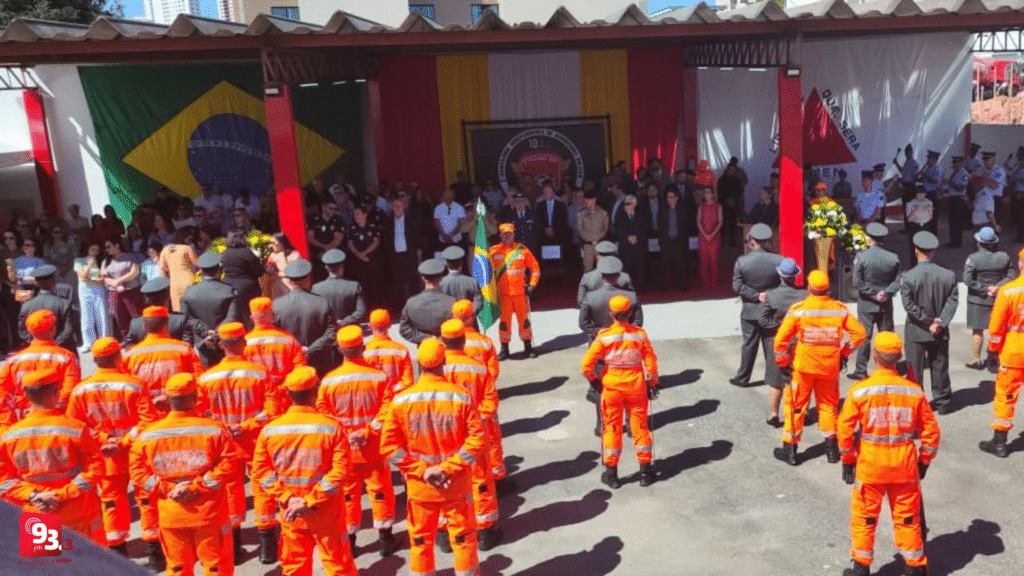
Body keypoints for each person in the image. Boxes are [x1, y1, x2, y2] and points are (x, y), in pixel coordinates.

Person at [379, 338, 485, 576]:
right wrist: (448, 468)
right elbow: (477, 441)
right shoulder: (461, 397)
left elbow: (389, 447)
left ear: (419, 364)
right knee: (463, 539)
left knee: (420, 543)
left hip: (420, 487)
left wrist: (422, 470)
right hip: (455, 484)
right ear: (444, 362)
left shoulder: (401, 401)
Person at [837, 332, 939, 576]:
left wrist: (848, 460)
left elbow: (844, 429)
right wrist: (924, 461)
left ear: (874, 357)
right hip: (904, 466)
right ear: (899, 358)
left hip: (870, 466)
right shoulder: (914, 391)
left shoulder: (860, 391)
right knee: (907, 519)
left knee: (865, 518)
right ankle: (914, 567)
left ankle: (861, 568)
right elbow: (931, 432)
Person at [250, 366, 359, 576]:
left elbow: (260, 472)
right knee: (337, 565)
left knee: (295, 565)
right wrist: (310, 501)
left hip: (291, 513)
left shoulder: (271, 430)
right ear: (315, 392)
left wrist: (289, 499)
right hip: (326, 511)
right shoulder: (332, 428)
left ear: (289, 395)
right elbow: (340, 472)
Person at [128, 373, 238, 576]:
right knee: (216, 568)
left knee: (178, 569)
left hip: (172, 515)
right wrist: (197, 486)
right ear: (195, 398)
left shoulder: (147, 436)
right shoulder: (214, 430)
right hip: (208, 513)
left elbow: (138, 474)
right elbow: (229, 465)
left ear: (168, 401)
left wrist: (170, 489)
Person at [65, 338, 157, 555]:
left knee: (111, 502)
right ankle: (155, 554)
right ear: (118, 357)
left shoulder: (80, 390)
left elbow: (76, 426)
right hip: (136, 455)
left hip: (105, 457)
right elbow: (147, 421)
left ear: (95, 360)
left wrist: (103, 439)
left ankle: (118, 552)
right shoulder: (134, 384)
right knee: (146, 499)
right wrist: (124, 441)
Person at [198, 322, 278, 564]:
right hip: (254, 443)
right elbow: (271, 411)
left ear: (221, 345)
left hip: (224, 445)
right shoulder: (259, 373)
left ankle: (235, 548)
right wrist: (245, 426)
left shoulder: (206, 378)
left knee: (231, 493)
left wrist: (224, 427)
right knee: (263, 489)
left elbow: (201, 413)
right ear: (243, 342)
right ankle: (268, 549)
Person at [0, 368, 106, 545]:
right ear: (56, 392)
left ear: (26, 396)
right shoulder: (75, 429)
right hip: (78, 512)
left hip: (37, 514)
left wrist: (33, 495)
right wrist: (61, 495)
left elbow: (4, 481)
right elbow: (95, 469)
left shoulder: (9, 436)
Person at [318, 325, 398, 556]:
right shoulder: (379, 377)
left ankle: (351, 541)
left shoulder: (329, 381)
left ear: (341, 351)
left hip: (345, 449)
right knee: (380, 491)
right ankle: (385, 540)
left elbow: (324, 413)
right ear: (363, 347)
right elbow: (387, 410)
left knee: (348, 495)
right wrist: (367, 431)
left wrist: (347, 433)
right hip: (373, 446)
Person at [773, 270, 866, 466]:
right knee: (828, 407)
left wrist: (782, 364)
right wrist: (844, 353)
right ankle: (831, 451)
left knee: (796, 407)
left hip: (803, 368)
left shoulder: (799, 310)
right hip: (829, 368)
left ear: (809, 288)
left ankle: (790, 450)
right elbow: (859, 334)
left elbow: (781, 340)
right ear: (828, 289)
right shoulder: (839, 310)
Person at [581, 295, 659, 488]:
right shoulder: (640, 334)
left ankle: (612, 475)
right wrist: (654, 383)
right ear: (630, 313)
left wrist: (594, 382)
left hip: (612, 387)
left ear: (611, 314)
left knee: (612, 428)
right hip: (636, 386)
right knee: (640, 427)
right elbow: (650, 361)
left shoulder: (604, 336)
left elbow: (585, 366)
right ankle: (645, 473)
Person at [439, 319, 502, 551]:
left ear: (443, 342)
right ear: (463, 340)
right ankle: (484, 532)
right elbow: (490, 402)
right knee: (481, 481)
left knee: (446, 483)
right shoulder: (478, 368)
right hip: (474, 435)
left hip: (445, 437)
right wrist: (476, 422)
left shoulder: (436, 369)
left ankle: (446, 534)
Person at [900, 231, 958, 415]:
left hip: (916, 330)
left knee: (914, 369)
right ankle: (943, 402)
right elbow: (952, 300)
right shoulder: (948, 275)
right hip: (939, 330)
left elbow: (909, 305)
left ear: (916, 251)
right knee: (940, 366)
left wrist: (926, 322)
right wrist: (940, 321)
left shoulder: (909, 277)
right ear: (932, 252)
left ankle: (916, 405)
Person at [979, 246, 1024, 458]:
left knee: (1006, 396)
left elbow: (996, 328)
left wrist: (992, 352)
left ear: (1021, 265)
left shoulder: (1008, 291)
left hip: (1013, 354)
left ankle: (999, 442)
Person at [731, 223, 784, 388]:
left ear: (752, 241)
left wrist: (756, 295)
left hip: (751, 310)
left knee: (749, 345)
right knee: (771, 344)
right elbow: (788, 282)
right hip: (771, 309)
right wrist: (770, 295)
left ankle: (743, 377)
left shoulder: (742, 261)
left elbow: (737, 286)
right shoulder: (779, 260)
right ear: (768, 241)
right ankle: (773, 378)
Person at [848, 223, 901, 380]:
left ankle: (861, 369)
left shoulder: (862, 257)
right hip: (885, 303)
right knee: (886, 335)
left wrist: (873, 294)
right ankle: (889, 365)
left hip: (867, 303)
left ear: (869, 238)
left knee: (865, 336)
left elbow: (857, 282)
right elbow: (898, 280)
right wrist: (885, 293)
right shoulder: (893, 257)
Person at [757, 258, 806, 428]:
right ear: (795, 277)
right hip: (799, 341)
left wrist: (779, 327)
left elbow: (762, 320)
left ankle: (773, 415)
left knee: (776, 381)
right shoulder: (804, 295)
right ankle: (798, 411)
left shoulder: (771, 295)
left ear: (780, 276)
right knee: (798, 379)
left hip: (778, 341)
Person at [963, 227, 1014, 372]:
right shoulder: (1004, 257)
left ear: (979, 242)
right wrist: (996, 287)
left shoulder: (973, 258)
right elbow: (1011, 275)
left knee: (977, 330)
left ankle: (976, 359)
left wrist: (984, 289)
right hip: (998, 299)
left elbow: (968, 280)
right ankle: (994, 358)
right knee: (997, 330)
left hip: (977, 300)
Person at [274, 258, 336, 376]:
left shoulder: (276, 306)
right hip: (320, 362)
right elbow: (331, 332)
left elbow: (275, 335)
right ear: (308, 278)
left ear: (290, 281)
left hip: (290, 364)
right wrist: (310, 349)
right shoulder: (322, 302)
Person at [489, 223, 541, 360]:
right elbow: (486, 273)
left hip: (520, 293)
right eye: (504, 234)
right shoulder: (493, 251)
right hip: (503, 295)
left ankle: (528, 348)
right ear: (500, 235)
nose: (507, 237)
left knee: (524, 322)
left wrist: (532, 285)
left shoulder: (522, 250)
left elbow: (535, 268)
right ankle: (505, 350)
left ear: (514, 234)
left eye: (509, 234)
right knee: (504, 323)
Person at [181, 252, 239, 367]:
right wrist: (215, 335)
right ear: (218, 270)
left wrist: (205, 332)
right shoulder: (229, 291)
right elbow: (232, 317)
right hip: (225, 342)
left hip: (201, 343)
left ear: (200, 271)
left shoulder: (188, 293)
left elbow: (186, 319)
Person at [244, 297, 306, 396]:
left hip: (257, 395)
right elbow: (300, 368)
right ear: (272, 315)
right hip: (284, 397)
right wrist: (283, 388)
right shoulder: (288, 339)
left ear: (251, 317)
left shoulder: (244, 342)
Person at [18, 264, 76, 353]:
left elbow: (22, 331)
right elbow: (68, 330)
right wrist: (55, 343)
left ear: (36, 284)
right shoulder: (64, 304)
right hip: (62, 351)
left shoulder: (26, 306)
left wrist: (37, 342)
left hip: (36, 351)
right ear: (54, 282)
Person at [312, 249, 366, 343]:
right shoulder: (354, 286)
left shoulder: (316, 288)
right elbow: (361, 311)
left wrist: (333, 323)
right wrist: (343, 322)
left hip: (328, 334)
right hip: (351, 333)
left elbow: (315, 313)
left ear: (326, 268)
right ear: (342, 267)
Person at [400, 259, 456, 345]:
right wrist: (441, 339)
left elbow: (404, 329)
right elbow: (457, 326)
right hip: (446, 350)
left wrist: (425, 337)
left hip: (424, 352)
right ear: (441, 278)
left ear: (423, 279)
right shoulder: (451, 302)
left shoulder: (411, 303)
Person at [220, 228, 264, 325]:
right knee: (250, 317)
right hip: (247, 288)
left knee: (235, 316)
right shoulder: (246, 252)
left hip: (229, 287)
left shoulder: (225, 253)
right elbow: (259, 271)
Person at [364, 309, 414, 393]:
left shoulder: (364, 351)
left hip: (374, 400)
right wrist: (391, 391)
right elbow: (408, 382)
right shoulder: (402, 350)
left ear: (369, 326)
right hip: (395, 401)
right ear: (390, 325)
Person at [385, 194, 421, 306]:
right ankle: (400, 305)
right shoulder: (388, 221)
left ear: (404, 207)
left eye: (400, 206)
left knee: (412, 280)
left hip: (409, 255)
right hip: (395, 256)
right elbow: (386, 239)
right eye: (395, 206)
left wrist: (418, 254)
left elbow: (417, 238)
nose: (397, 209)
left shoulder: (412, 220)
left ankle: (415, 303)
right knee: (397, 282)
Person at [74, 240, 109, 351]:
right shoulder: (79, 260)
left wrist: (92, 279)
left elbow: (101, 279)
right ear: (87, 249)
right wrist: (89, 265)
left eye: (97, 250)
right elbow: (83, 276)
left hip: (98, 289)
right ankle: (88, 343)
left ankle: (104, 340)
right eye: (92, 249)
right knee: (86, 315)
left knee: (101, 314)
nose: (95, 252)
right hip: (85, 290)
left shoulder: (100, 261)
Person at [346, 205, 383, 307]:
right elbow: (350, 243)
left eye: (358, 213)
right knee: (361, 286)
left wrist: (364, 253)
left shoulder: (373, 226)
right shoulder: (352, 228)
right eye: (354, 214)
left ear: (365, 214)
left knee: (375, 284)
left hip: (372, 259)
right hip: (358, 261)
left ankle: (376, 306)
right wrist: (359, 255)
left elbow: (376, 242)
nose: (356, 216)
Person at [577, 241, 634, 306]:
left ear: (597, 257)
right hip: (618, 312)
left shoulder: (587, 277)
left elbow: (581, 303)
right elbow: (632, 300)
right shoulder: (625, 277)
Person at [659, 187, 691, 292]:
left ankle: (681, 285)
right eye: (668, 197)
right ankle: (663, 286)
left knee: (680, 264)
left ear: (677, 198)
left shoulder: (682, 209)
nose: (669, 199)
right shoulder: (663, 208)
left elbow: (686, 225)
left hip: (679, 241)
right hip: (666, 241)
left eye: (672, 197)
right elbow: (660, 225)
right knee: (664, 264)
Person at [158, 227, 198, 312]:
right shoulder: (187, 248)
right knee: (193, 308)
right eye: (189, 239)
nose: (190, 241)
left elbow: (162, 268)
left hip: (174, 283)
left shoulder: (165, 250)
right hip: (189, 280)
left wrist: (166, 283)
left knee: (178, 309)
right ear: (183, 237)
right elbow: (197, 264)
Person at [614, 194, 648, 292]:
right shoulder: (620, 216)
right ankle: (627, 287)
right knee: (626, 267)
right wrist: (627, 237)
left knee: (640, 267)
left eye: (629, 204)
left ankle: (641, 287)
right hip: (625, 246)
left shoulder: (641, 215)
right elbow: (617, 229)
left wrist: (636, 237)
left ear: (635, 204)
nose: (627, 206)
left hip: (638, 245)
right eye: (625, 204)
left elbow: (645, 229)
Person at [307, 201, 345, 278]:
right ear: (323, 207)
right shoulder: (314, 220)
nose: (333, 211)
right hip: (318, 254)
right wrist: (323, 247)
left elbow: (338, 239)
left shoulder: (338, 220)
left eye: (335, 209)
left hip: (334, 255)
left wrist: (327, 251)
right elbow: (310, 237)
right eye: (330, 208)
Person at [439, 245, 481, 314]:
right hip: (468, 320)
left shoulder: (440, 283)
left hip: (448, 321)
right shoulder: (472, 282)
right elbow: (478, 303)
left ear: (446, 264)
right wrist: (468, 316)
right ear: (462, 263)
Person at [697, 186, 723, 291]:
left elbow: (720, 222)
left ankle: (714, 282)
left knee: (714, 260)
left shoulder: (718, 206)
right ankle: (705, 283)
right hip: (703, 237)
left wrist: (712, 234)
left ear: (712, 194)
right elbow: (698, 221)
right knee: (703, 260)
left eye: (708, 192)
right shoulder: (701, 206)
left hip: (715, 237)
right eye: (705, 193)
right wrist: (704, 234)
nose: (706, 194)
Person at [266, 231, 300, 299]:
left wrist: (281, 258)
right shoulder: (273, 256)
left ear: (281, 243)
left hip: (291, 287)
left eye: (273, 243)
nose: (270, 246)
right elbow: (269, 274)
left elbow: (290, 273)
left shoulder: (294, 255)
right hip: (277, 288)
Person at [717, 163, 744, 246]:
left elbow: (739, 192)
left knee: (733, 223)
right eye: (730, 170)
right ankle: (722, 241)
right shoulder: (721, 179)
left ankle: (732, 241)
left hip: (734, 204)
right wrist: (727, 199)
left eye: (733, 170)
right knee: (723, 223)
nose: (731, 172)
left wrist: (734, 201)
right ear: (727, 170)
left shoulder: (737, 180)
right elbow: (719, 191)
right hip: (724, 204)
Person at [945, 155, 970, 247]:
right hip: (953, 198)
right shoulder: (955, 173)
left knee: (957, 222)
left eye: (955, 163)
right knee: (952, 221)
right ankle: (952, 241)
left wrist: (950, 183)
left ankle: (957, 242)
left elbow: (961, 188)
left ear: (960, 163)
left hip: (959, 199)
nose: (954, 164)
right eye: (953, 162)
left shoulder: (963, 173)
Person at [905, 187, 934, 258]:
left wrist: (928, 210)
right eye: (919, 193)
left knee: (926, 246)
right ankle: (914, 263)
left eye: (922, 193)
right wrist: (916, 211)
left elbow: (930, 217)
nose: (920, 195)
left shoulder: (929, 202)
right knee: (914, 246)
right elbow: (909, 219)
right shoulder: (911, 203)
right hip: (915, 226)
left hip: (925, 226)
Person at [434, 188, 466, 252]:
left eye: (451, 194)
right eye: (447, 194)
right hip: (443, 240)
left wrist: (451, 235)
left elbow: (461, 223)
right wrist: (444, 235)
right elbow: (436, 223)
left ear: (454, 196)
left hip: (456, 239)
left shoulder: (459, 208)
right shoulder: (438, 208)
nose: (449, 196)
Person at [979, 150, 1007, 225]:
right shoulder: (985, 170)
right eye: (984, 160)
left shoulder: (999, 171)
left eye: (987, 160)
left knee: (995, 222)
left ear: (993, 160)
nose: (985, 162)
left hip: (995, 199)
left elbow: (995, 185)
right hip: (985, 198)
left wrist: (983, 178)